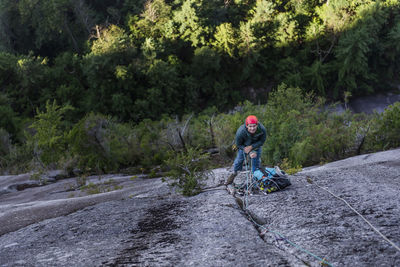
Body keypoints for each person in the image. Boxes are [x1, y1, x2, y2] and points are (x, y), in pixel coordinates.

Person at [225, 115, 267, 185]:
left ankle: (255, 179)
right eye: (250, 126)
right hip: (244, 146)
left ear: (257, 124)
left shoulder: (262, 129)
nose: (252, 128)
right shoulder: (240, 132)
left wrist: (252, 147)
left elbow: (262, 141)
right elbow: (239, 145)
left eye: (254, 126)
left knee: (255, 162)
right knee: (239, 160)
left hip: (256, 146)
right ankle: (234, 173)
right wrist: (249, 150)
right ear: (247, 126)